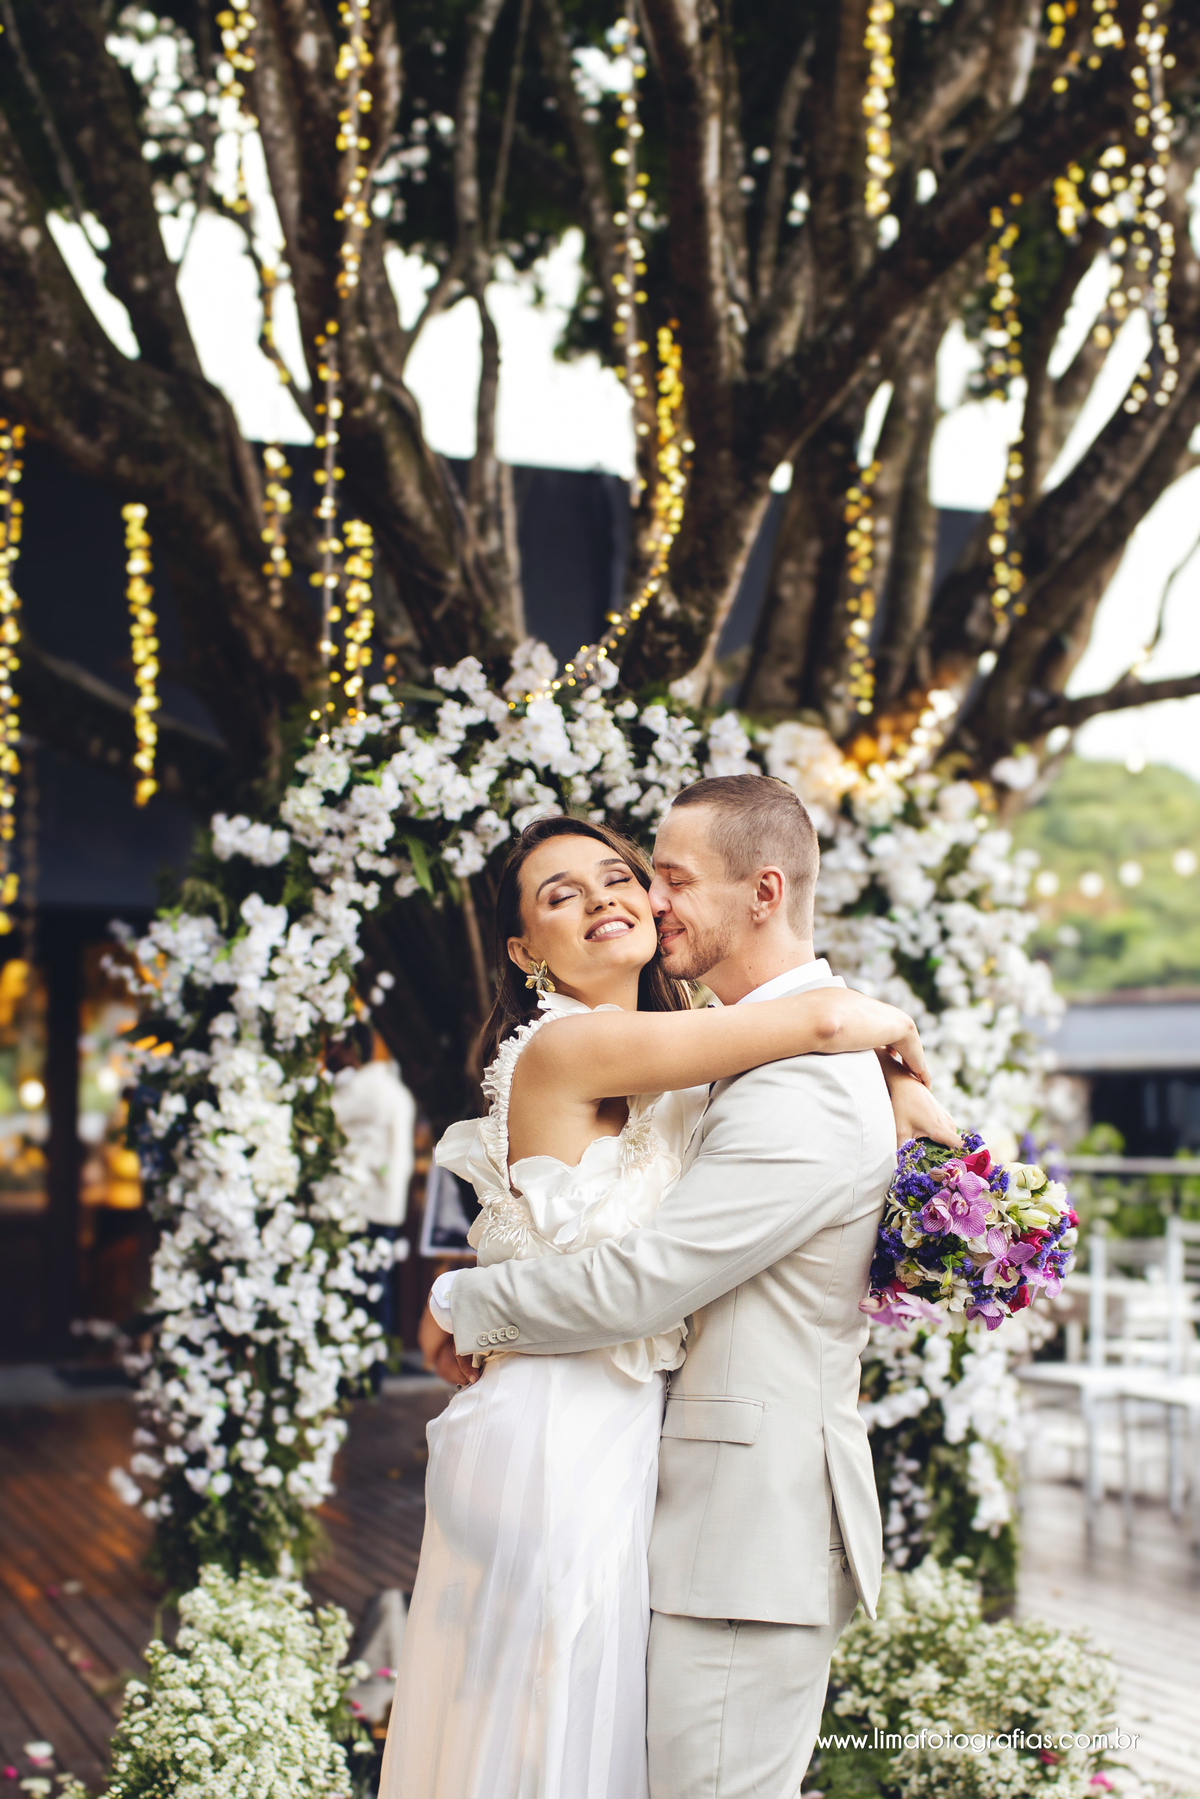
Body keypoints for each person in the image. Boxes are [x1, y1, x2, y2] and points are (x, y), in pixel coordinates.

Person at [380, 783, 957, 1799]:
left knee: (577, 1736)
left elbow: (797, 1038)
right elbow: (816, 1013)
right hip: (561, 1423)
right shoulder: (579, 1043)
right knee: (547, 1727)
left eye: (643, 877)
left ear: (762, 890)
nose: (635, 896)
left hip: (644, 1448)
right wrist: (883, 1031)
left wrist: (892, 1077)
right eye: (564, 893)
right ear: (524, 950)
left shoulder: (706, 1055)